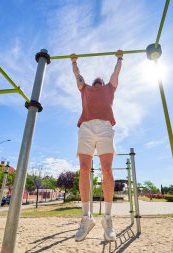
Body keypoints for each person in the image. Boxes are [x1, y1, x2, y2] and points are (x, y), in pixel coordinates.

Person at [71, 50, 123, 242]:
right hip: (85, 127)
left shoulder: (109, 88)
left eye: (100, 80)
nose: (98, 82)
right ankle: (87, 218)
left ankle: (107, 219)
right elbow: (77, 76)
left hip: (104, 126)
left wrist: (119, 59)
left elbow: (115, 74)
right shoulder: (85, 88)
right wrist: (74, 63)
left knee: (107, 170)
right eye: (96, 81)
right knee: (84, 169)